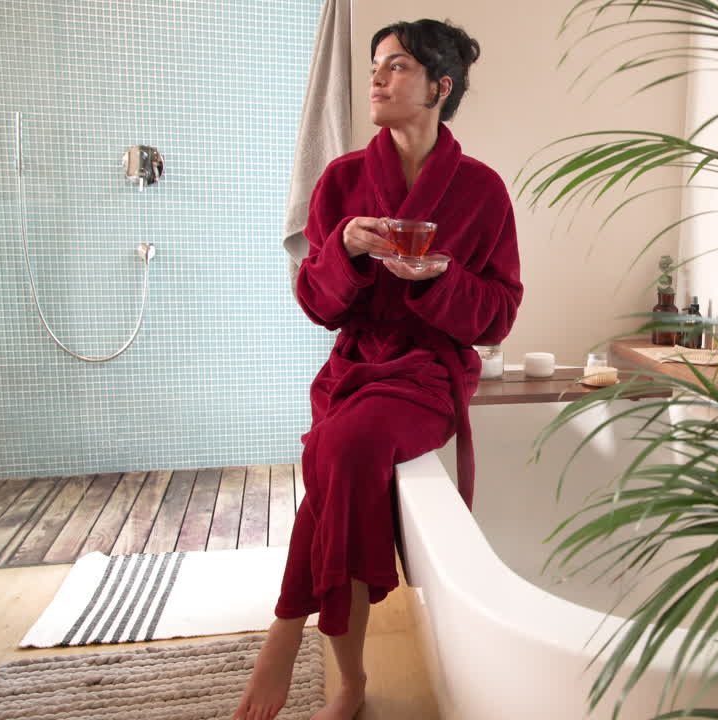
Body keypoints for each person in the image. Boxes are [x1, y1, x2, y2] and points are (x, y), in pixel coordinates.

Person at [235, 19, 522, 720]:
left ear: (439, 87)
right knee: (341, 467)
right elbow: (316, 304)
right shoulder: (343, 181)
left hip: (430, 370)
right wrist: (346, 250)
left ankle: (287, 635)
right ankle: (349, 679)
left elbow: (498, 315)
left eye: (396, 66)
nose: (377, 77)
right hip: (354, 365)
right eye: (375, 65)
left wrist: (437, 281)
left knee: (341, 449)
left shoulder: (482, 190)